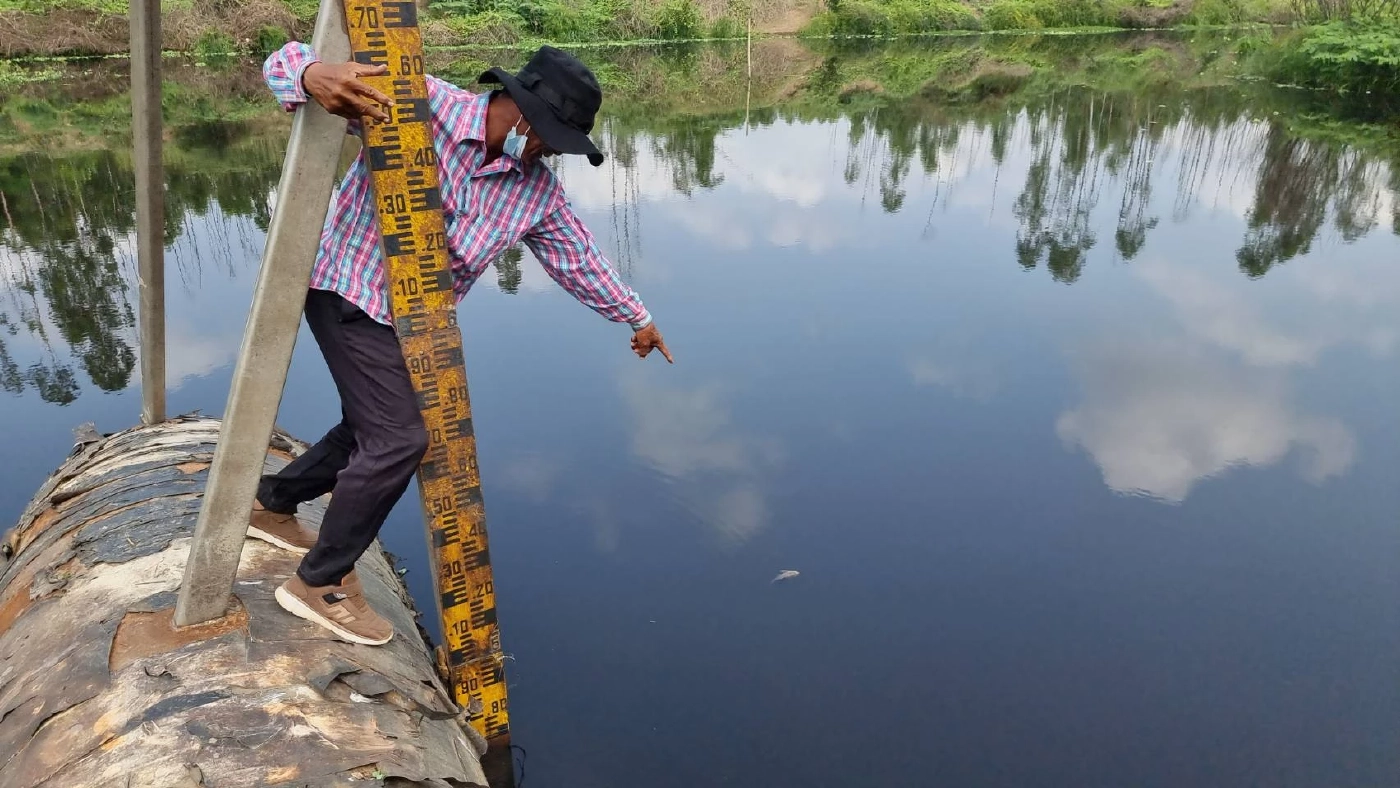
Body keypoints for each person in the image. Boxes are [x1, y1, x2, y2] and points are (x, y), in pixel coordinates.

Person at [248, 41, 672, 646]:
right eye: (553, 136)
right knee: (400, 439)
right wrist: (314, 76)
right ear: (523, 114)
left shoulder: (534, 192)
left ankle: (273, 501)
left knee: (377, 424)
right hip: (348, 287)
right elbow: (282, 61)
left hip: (414, 319)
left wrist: (636, 317)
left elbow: (578, 259)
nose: (552, 151)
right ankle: (320, 582)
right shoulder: (421, 103)